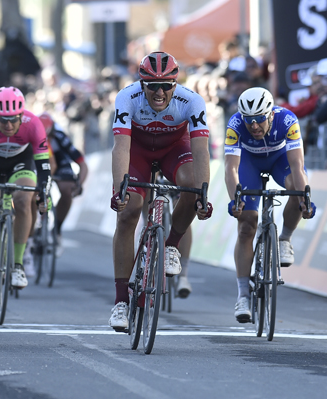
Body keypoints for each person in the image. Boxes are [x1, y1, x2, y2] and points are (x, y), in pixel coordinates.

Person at [108, 51, 213, 331]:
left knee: (191, 184)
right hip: (138, 151)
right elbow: (121, 148)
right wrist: (120, 188)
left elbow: (201, 152)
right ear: (141, 84)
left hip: (173, 149)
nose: (159, 92)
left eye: (166, 85)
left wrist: (203, 195)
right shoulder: (126, 97)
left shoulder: (191, 101)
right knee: (129, 212)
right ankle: (121, 301)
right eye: (152, 85)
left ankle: (171, 246)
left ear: (175, 85)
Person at [224, 87, 316, 323]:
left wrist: (304, 198)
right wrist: (236, 198)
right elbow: (231, 169)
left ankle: (285, 238)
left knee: (296, 188)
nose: (254, 126)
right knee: (247, 225)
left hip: (279, 160)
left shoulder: (288, 119)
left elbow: (297, 166)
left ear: (271, 115)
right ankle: (243, 295)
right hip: (249, 164)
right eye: (249, 120)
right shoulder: (235, 124)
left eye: (259, 119)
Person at [0, 86, 51, 289]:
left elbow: (44, 166)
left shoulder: (34, 124)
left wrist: (43, 194)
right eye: (3, 120)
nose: (9, 124)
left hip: (21, 163)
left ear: (22, 114)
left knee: (23, 200)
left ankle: (18, 264)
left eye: (14, 119)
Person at [38, 112, 88, 255]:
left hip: (59, 162)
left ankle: (57, 229)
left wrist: (79, 183)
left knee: (67, 190)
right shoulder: (30, 134)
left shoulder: (60, 137)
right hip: (38, 160)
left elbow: (82, 164)